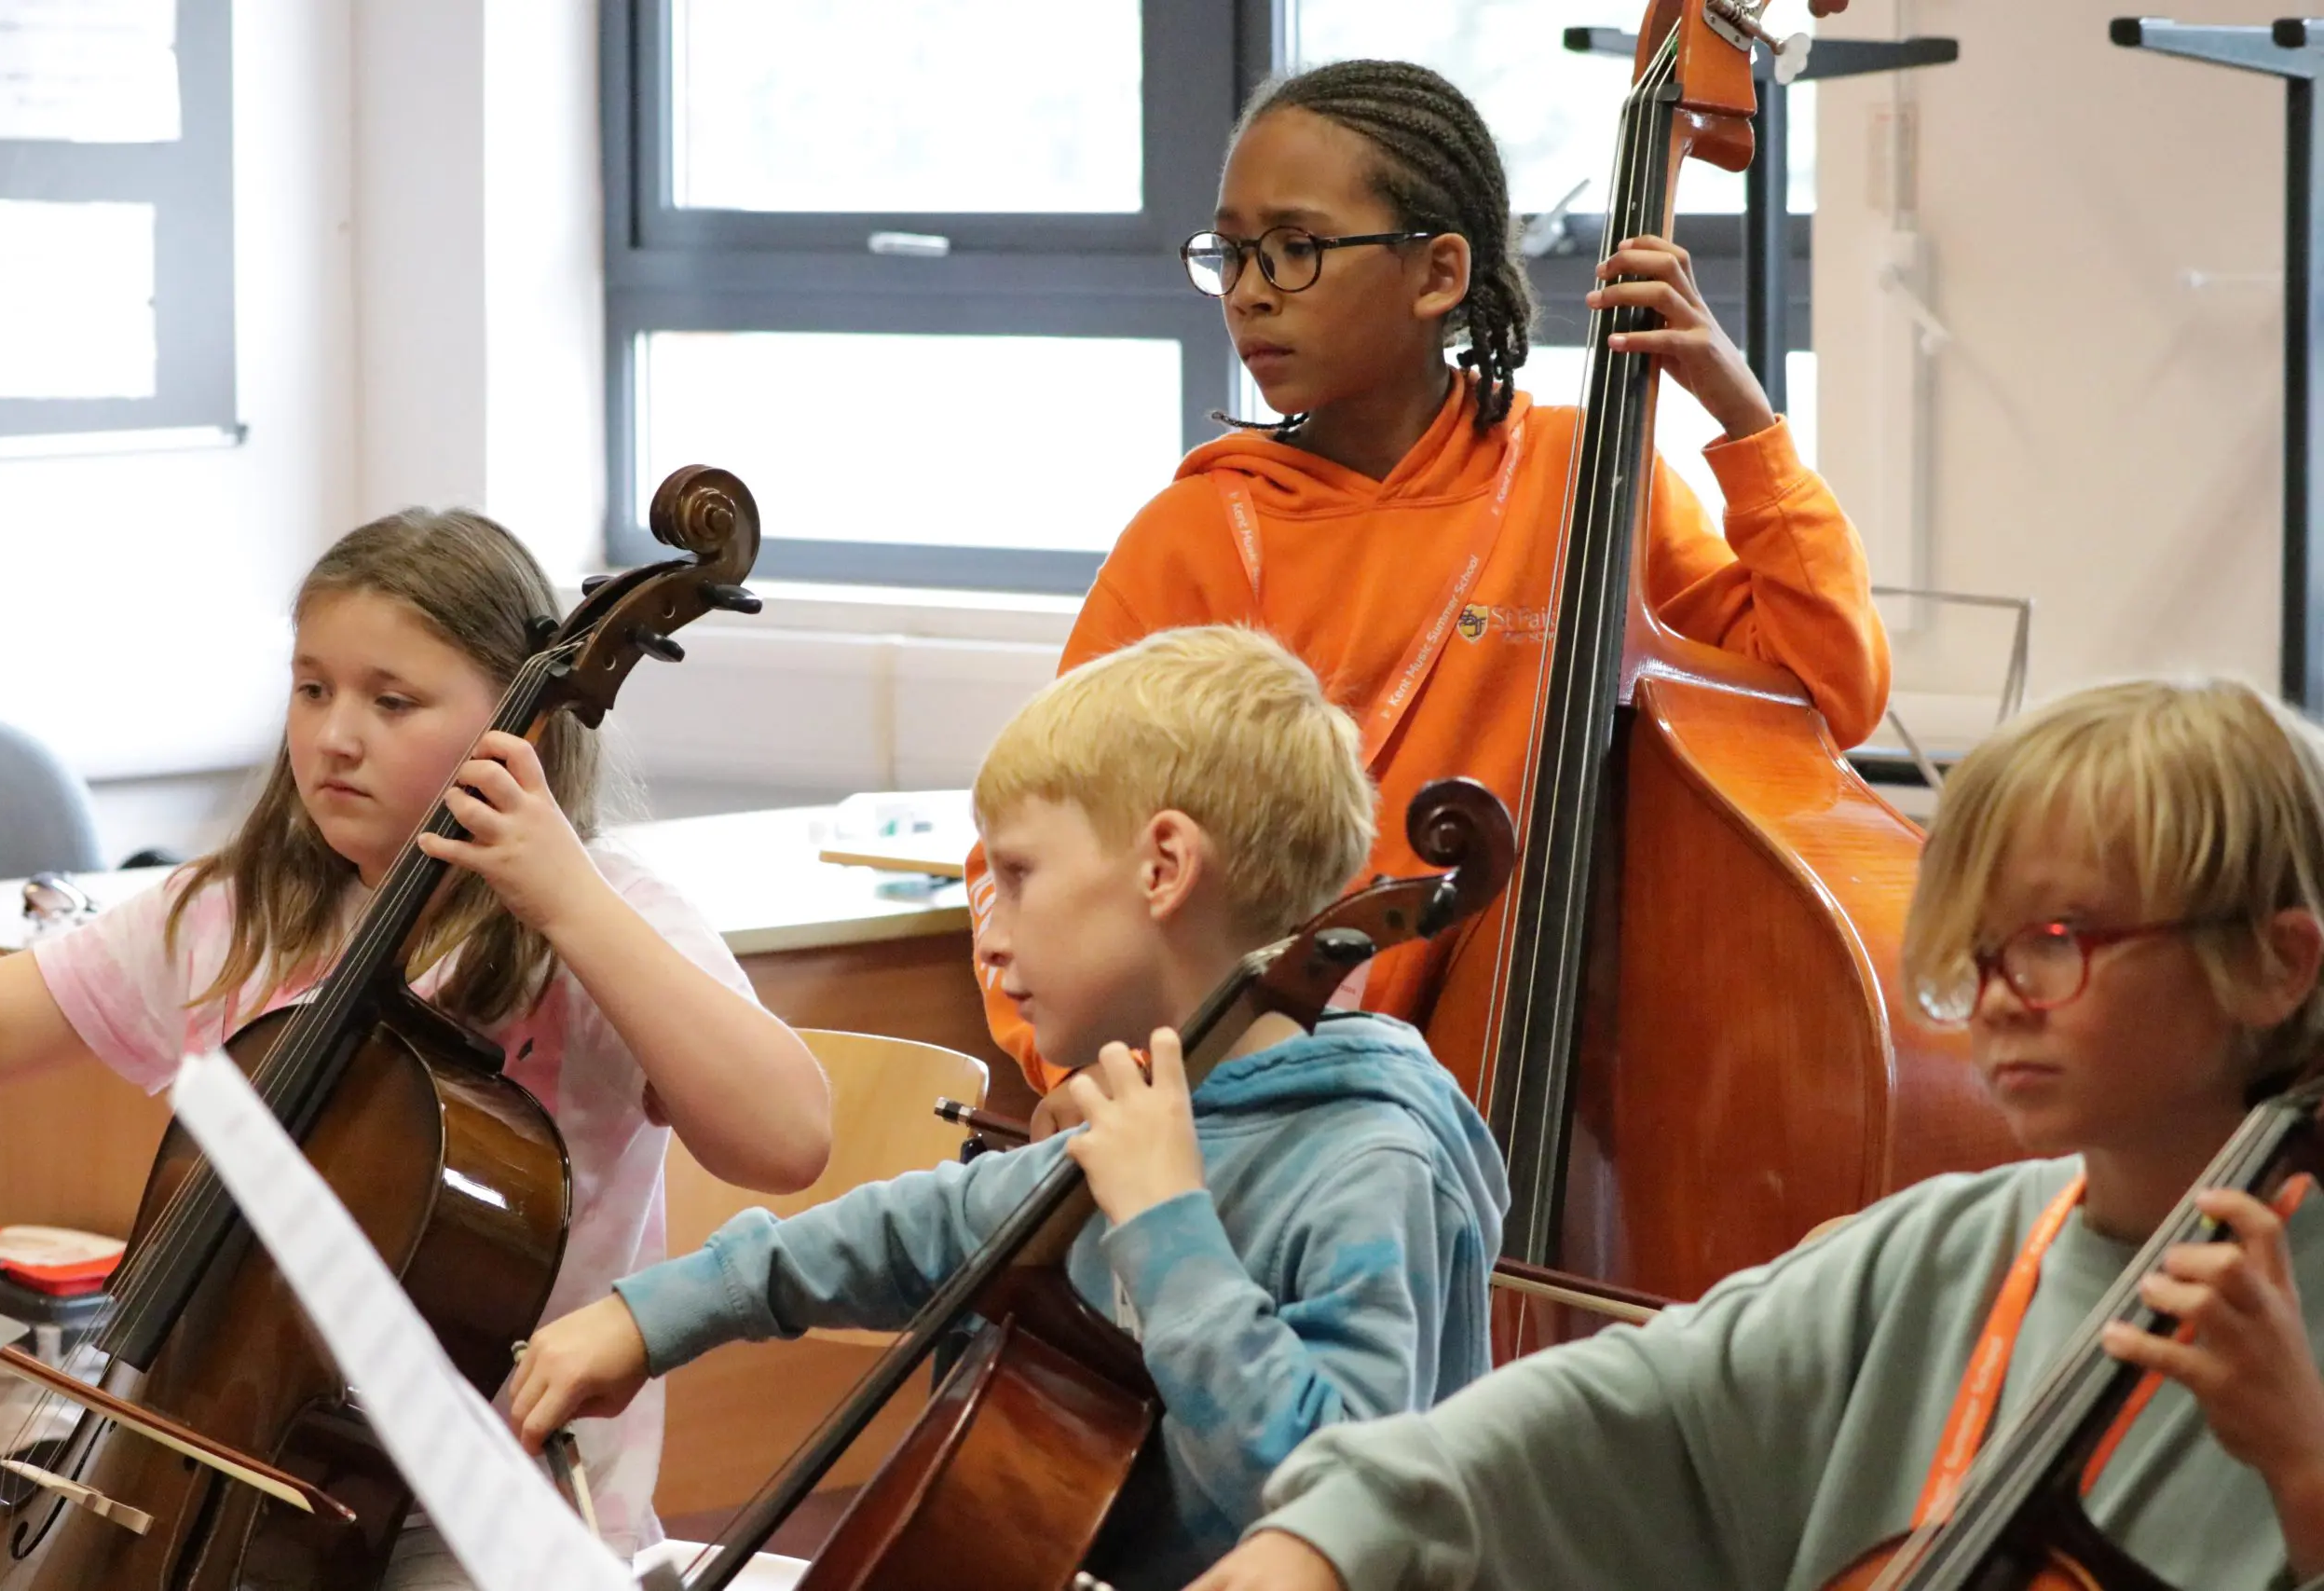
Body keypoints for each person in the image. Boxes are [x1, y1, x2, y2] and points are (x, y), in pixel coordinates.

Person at [1190, 677, 2324, 1590]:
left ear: (2277, 963)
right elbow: (1633, 1410)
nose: (1996, 994)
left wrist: (2303, 1468)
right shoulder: (1941, 1253)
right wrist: (1328, 1537)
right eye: (1981, 946)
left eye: (2058, 938)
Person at [964, 58, 1892, 1109]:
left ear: (1438, 274)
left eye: (1298, 249)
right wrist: (1085, 1074)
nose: (1251, 291)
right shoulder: (1193, 537)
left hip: (1543, 1095)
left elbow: (1828, 691)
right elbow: (1028, 845)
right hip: (1259, 1113)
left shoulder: (1582, 478)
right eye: (1233, 252)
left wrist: (1745, 424)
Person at [505, 625, 1509, 1591]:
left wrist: (1169, 1230)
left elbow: (1332, 1504)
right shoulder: (1155, 1109)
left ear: (1163, 868)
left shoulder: (1367, 1164)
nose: (988, 937)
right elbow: (918, 1231)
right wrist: (654, 1317)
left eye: (1019, 875)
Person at [0, 510, 832, 1588]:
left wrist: (569, 904)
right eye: (312, 689)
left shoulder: (608, 919)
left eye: (391, 700)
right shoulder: (242, 909)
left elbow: (786, 1140)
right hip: (212, 1476)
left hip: (501, 1516)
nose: (333, 736)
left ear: (523, 724)